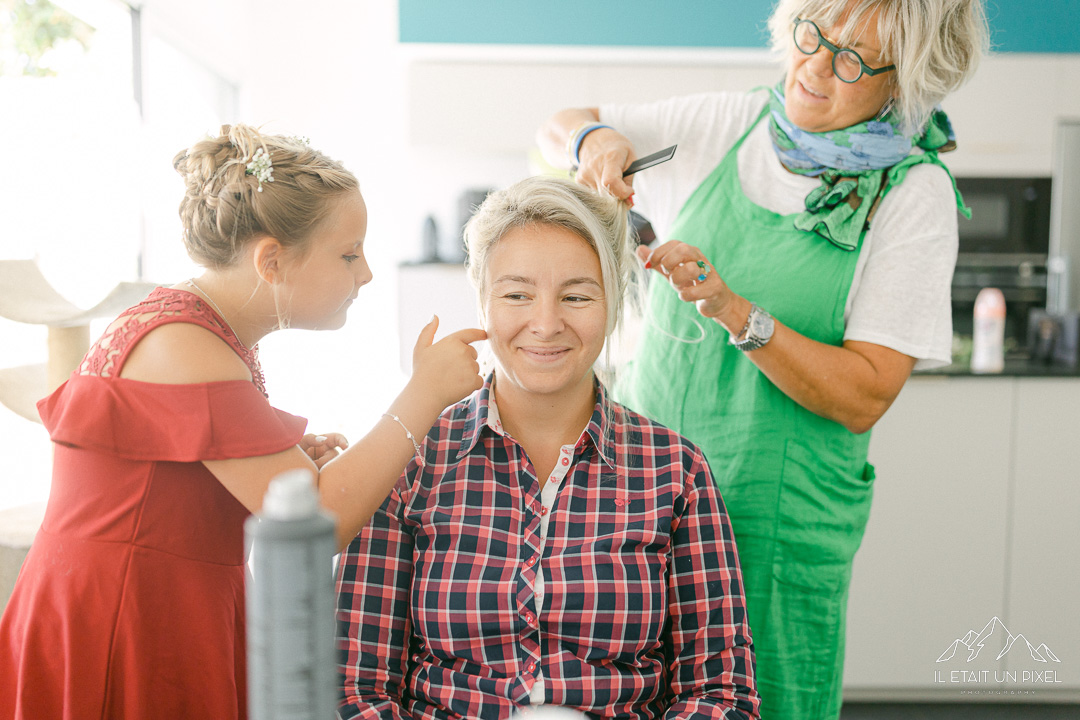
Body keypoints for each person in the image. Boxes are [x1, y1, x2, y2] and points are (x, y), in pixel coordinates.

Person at [536, 1, 989, 717]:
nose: (813, 69)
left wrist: (736, 312)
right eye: (812, 37)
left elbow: (865, 394)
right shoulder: (731, 123)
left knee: (762, 697)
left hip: (774, 517)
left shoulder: (912, 194)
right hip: (641, 499)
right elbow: (563, 120)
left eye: (852, 59)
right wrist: (596, 144)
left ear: (906, 81)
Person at [0, 124, 486, 719]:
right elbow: (321, 519)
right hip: (123, 619)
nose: (366, 275)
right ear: (272, 260)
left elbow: (166, 471)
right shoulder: (183, 344)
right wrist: (422, 394)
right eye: (349, 254)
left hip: (161, 606)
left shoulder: (199, 329)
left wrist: (281, 455)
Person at [335, 176, 761, 719]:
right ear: (482, 300)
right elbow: (354, 690)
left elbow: (722, 693)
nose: (545, 323)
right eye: (516, 295)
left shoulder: (675, 471)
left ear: (613, 301)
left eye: (576, 296)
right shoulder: (408, 460)